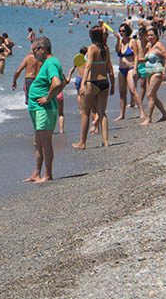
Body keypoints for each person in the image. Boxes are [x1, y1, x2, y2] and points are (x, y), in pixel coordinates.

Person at [24, 37, 65, 183]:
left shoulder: (50, 63)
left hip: (45, 108)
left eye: (34, 50)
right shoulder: (47, 63)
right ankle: (36, 173)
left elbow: (57, 82)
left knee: (45, 142)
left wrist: (48, 98)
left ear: (42, 49)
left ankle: (47, 175)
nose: (32, 53)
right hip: (38, 108)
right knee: (37, 142)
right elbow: (64, 81)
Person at [73, 27, 115, 149]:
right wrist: (112, 85)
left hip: (92, 82)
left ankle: (82, 142)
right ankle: (105, 141)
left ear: (92, 37)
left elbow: (88, 66)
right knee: (102, 113)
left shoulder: (92, 49)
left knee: (85, 113)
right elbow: (109, 68)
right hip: (104, 82)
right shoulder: (105, 48)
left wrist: (83, 83)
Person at [113, 23, 145, 121]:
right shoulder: (120, 42)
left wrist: (135, 69)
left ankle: (142, 112)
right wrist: (118, 39)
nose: (121, 33)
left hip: (130, 68)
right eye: (120, 31)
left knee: (132, 89)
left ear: (127, 31)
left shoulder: (132, 42)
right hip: (121, 69)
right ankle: (122, 115)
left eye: (123, 31)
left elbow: (136, 56)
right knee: (122, 92)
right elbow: (117, 50)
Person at [140, 27, 166, 125]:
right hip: (149, 72)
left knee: (150, 95)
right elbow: (148, 59)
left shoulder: (158, 45)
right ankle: (165, 114)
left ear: (156, 36)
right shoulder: (150, 46)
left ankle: (148, 118)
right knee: (153, 95)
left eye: (152, 35)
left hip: (157, 71)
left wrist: (164, 70)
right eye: (148, 35)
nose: (149, 37)